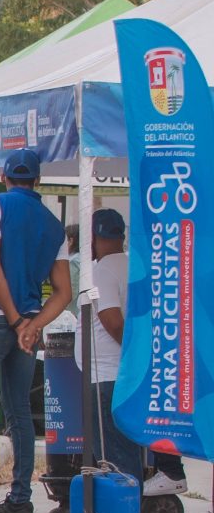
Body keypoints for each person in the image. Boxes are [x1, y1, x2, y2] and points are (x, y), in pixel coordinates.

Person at [0, 150, 72, 513]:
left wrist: (13, 320)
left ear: (3, 176)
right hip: (26, 327)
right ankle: (20, 501)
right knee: (19, 415)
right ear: (39, 182)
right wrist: (31, 325)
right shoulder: (53, 224)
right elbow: (64, 292)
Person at [82, 206, 144, 482]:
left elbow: (113, 320)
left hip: (107, 376)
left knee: (113, 457)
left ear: (94, 237)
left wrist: (131, 353)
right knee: (126, 451)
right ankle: (131, 509)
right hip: (124, 375)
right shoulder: (133, 265)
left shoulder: (103, 270)